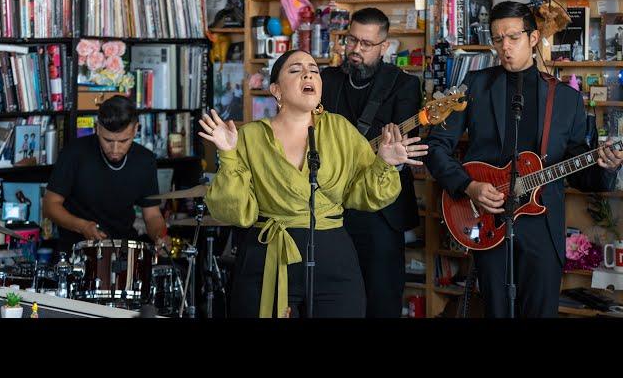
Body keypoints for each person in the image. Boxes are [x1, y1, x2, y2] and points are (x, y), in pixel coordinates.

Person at [425, 1, 623, 318]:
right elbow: (436, 146)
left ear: (532, 38)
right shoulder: (473, 86)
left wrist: (605, 167)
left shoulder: (567, 98)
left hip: (543, 227)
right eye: (498, 38)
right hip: (489, 219)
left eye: (513, 37)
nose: (505, 47)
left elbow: (579, 172)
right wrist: (468, 186)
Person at [201, 49, 427, 318]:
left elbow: (363, 195)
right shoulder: (250, 137)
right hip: (268, 258)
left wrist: (385, 164)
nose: (308, 73)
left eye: (314, 70)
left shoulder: (341, 130)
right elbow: (235, 212)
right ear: (276, 90)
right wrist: (227, 155)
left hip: (333, 257)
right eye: (295, 70)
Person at [320, 7, 427, 317]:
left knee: (381, 301)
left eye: (366, 44)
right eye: (352, 40)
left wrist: (391, 158)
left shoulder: (403, 85)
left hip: (381, 211)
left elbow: (405, 150)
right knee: (333, 300)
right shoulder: (327, 79)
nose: (356, 50)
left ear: (385, 46)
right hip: (331, 205)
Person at [43, 95, 170, 256]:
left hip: (124, 251)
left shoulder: (145, 160)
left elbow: (152, 215)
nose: (115, 149)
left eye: (124, 141)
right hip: (77, 251)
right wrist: (82, 226)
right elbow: (50, 205)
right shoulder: (74, 153)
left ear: (136, 129)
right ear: (97, 128)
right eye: (108, 140)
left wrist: (160, 236)